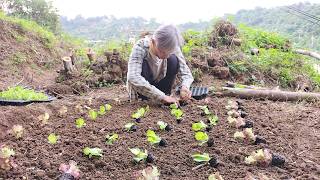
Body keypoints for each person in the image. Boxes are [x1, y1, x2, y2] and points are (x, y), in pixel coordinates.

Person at [126, 24, 194, 105]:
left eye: (168, 52)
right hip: (144, 92)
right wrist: (162, 97)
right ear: (153, 42)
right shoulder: (141, 47)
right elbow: (133, 77)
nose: (166, 55)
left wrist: (185, 87)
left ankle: (166, 95)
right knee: (143, 65)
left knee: (173, 60)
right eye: (162, 51)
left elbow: (186, 72)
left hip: (161, 88)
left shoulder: (172, 46)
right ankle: (146, 100)